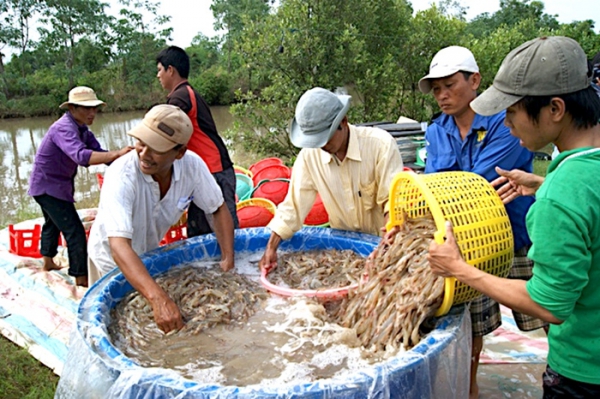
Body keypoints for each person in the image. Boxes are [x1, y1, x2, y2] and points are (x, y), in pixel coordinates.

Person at [429, 36, 600, 398]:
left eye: (512, 112)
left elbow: (549, 304)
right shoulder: (578, 175)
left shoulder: (562, 193)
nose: (506, 124)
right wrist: (542, 182)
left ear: (555, 109)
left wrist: (459, 269)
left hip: (585, 370)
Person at [418, 45, 547, 399]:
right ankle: (470, 390)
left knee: (548, 310)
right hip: (468, 242)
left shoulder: (506, 122)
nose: (442, 95)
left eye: (450, 85)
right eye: (437, 89)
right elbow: (433, 186)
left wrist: (443, 193)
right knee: (472, 325)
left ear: (475, 80)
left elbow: (477, 184)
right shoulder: (437, 131)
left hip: (516, 231)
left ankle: (564, 377)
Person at [87, 104, 235, 333]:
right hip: (110, 259)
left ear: (179, 152)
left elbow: (217, 209)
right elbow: (118, 245)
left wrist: (228, 260)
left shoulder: (192, 166)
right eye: (141, 142)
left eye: (155, 148)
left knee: (155, 326)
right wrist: (158, 298)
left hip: (147, 253)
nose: (144, 154)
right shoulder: (121, 175)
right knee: (118, 326)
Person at [259, 87, 404, 270]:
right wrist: (271, 247)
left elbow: (392, 203)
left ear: (343, 121)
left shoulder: (380, 145)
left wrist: (387, 242)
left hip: (382, 243)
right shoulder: (309, 156)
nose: (321, 146)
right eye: (315, 140)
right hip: (344, 251)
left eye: (325, 138)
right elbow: (293, 207)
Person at [28, 86, 133, 288]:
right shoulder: (63, 128)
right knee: (74, 231)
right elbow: (81, 156)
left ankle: (48, 263)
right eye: (86, 109)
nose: (92, 113)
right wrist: (116, 154)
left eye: (94, 108)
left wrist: (126, 160)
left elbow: (99, 152)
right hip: (48, 186)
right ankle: (81, 279)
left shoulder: (82, 129)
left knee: (52, 223)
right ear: (73, 109)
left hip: (56, 184)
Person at [156, 45, 239, 236]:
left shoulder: (181, 97)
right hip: (206, 171)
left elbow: (163, 134)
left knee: (224, 234)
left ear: (171, 70)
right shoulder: (186, 93)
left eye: (160, 70)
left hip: (214, 172)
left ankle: (232, 264)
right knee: (201, 232)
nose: (158, 76)